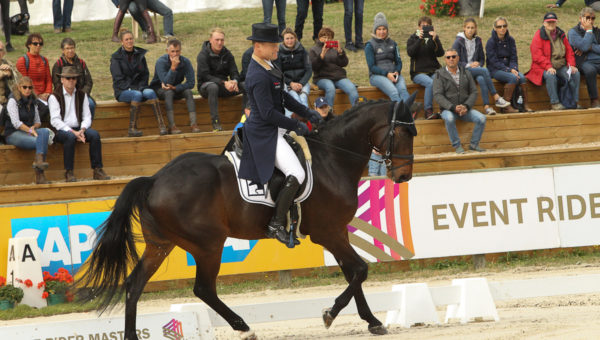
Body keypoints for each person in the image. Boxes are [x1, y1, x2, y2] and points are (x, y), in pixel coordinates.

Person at [239, 23, 322, 246]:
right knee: (297, 173)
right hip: (264, 132)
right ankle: (275, 224)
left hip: (276, 126)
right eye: (272, 44)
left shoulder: (270, 65)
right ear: (258, 46)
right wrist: (296, 125)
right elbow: (267, 114)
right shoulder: (257, 75)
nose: (277, 47)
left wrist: (307, 112)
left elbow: (283, 97)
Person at [49, 66, 110, 182]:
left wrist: (82, 129)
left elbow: (87, 116)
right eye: (68, 78)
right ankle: (69, 171)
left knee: (95, 135)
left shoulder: (82, 95)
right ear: (62, 79)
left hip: (79, 128)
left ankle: (97, 169)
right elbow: (55, 121)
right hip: (62, 130)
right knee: (70, 137)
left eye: (73, 78)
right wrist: (73, 132)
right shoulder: (54, 96)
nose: (71, 81)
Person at [110, 29, 167, 137]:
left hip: (140, 87)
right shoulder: (116, 58)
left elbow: (145, 74)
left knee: (150, 92)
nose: (129, 41)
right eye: (126, 39)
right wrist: (133, 89)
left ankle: (162, 125)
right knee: (137, 94)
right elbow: (118, 79)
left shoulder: (140, 54)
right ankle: (132, 128)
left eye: (131, 39)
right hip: (123, 90)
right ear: (122, 42)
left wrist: (141, 87)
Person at [366, 12, 422, 115]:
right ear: (375, 30)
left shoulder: (393, 43)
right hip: (376, 76)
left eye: (384, 29)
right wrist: (387, 74)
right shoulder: (370, 45)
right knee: (393, 92)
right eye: (379, 29)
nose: (382, 32)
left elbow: (398, 61)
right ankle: (401, 114)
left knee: (402, 89)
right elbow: (371, 66)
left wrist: (397, 71)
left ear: (387, 30)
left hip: (394, 73)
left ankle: (408, 111)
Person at [452, 18, 510, 115]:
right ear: (464, 28)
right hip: (462, 70)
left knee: (482, 79)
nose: (470, 30)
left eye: (472, 28)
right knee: (484, 71)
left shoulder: (478, 40)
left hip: (475, 70)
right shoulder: (458, 41)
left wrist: (478, 63)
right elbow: (454, 61)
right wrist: (469, 65)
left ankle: (487, 107)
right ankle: (496, 97)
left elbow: (482, 58)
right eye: (468, 27)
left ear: (476, 29)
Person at [433, 49, 487, 154]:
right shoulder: (439, 74)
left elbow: (474, 92)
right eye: (448, 57)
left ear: (458, 58)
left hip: (465, 109)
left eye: (453, 56)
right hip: (448, 109)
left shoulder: (466, 72)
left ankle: (474, 145)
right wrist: (453, 107)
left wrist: (466, 106)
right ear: (445, 60)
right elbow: (438, 95)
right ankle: (457, 146)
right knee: (449, 118)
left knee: (482, 118)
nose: (451, 59)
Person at [527, 12, 580, 110]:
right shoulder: (539, 35)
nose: (551, 24)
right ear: (544, 23)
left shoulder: (561, 34)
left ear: (556, 22)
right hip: (541, 67)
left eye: (553, 22)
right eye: (548, 22)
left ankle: (574, 102)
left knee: (575, 73)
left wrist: (571, 65)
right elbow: (537, 56)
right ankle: (555, 103)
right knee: (550, 76)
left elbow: (569, 51)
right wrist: (548, 67)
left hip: (560, 65)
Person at [4, 77, 51, 184]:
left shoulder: (33, 101)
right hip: (13, 133)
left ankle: (39, 164)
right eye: (24, 87)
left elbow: (38, 121)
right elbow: (16, 123)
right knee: (39, 141)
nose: (27, 90)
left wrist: (34, 127)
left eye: (30, 87)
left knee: (45, 132)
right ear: (19, 87)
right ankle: (40, 174)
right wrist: (30, 131)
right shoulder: (13, 100)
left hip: (29, 130)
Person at [197, 28, 243, 132]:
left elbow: (234, 72)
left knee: (246, 85)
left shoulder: (227, 54)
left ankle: (245, 120)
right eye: (217, 40)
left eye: (222, 40)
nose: (219, 42)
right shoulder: (203, 55)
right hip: (206, 86)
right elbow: (205, 75)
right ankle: (216, 123)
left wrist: (234, 81)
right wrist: (224, 82)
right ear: (210, 40)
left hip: (224, 86)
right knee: (213, 87)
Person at [150, 39, 197, 134]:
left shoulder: (185, 62)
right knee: (169, 92)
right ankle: (172, 126)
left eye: (177, 51)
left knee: (188, 92)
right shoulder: (161, 62)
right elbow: (166, 82)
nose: (175, 54)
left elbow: (191, 83)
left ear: (180, 51)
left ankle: (194, 124)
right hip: (160, 89)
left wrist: (176, 88)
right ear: (167, 51)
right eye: (172, 51)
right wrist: (173, 67)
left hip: (175, 88)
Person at [486, 16, 532, 113]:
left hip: (510, 68)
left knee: (522, 78)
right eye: (499, 26)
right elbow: (493, 61)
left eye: (504, 26)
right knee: (513, 78)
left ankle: (525, 104)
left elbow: (514, 57)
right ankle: (506, 106)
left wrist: (513, 68)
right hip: (495, 70)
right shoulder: (490, 42)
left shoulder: (511, 40)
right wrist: (509, 70)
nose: (502, 28)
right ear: (495, 28)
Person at [309, 26, 359, 109]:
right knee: (330, 88)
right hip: (322, 78)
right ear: (319, 38)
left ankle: (357, 111)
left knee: (352, 88)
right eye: (324, 37)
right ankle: (329, 113)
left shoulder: (335, 48)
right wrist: (321, 55)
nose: (327, 40)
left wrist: (340, 53)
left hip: (338, 77)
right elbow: (313, 67)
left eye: (329, 38)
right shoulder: (313, 49)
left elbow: (344, 63)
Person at [407, 16, 445, 119]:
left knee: (440, 79)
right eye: (423, 26)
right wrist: (419, 40)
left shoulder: (433, 38)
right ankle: (428, 111)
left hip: (432, 70)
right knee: (430, 83)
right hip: (418, 72)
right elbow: (410, 53)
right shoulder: (413, 38)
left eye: (428, 26)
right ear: (418, 27)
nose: (425, 28)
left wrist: (435, 39)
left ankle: (443, 109)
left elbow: (441, 53)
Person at [51, 38, 96, 118]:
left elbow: (89, 82)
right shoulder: (58, 65)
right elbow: (57, 84)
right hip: (65, 96)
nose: (70, 51)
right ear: (62, 50)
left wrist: (82, 95)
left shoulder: (81, 63)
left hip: (81, 93)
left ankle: (86, 127)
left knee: (91, 104)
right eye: (67, 48)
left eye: (72, 48)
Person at [277, 27, 312, 118]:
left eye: (292, 38)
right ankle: (295, 123)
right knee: (295, 99)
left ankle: (307, 123)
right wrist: (291, 83)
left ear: (295, 38)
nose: (290, 41)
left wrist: (301, 83)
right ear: (283, 40)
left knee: (303, 98)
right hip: (287, 83)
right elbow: (279, 72)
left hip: (302, 82)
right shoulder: (279, 52)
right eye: (287, 38)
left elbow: (309, 70)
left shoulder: (303, 50)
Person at [16, 33, 51, 123]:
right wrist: (38, 95)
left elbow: (48, 79)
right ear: (29, 45)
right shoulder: (22, 61)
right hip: (30, 94)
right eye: (35, 43)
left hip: (45, 95)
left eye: (40, 43)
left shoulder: (44, 60)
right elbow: (24, 83)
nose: (38, 45)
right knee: (44, 109)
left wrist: (47, 92)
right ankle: (30, 128)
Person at [568, 7, 600, 108]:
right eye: (587, 18)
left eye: (593, 18)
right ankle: (594, 100)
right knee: (590, 70)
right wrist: (589, 31)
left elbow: (586, 47)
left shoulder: (598, 31)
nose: (591, 20)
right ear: (580, 18)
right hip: (584, 61)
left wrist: (590, 47)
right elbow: (584, 46)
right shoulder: (573, 32)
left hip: (597, 59)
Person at [0, 40, 18, 110]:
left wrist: (11, 74)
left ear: (4, 52)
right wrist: (3, 73)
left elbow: (20, 80)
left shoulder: (7, 63)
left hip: (9, 101)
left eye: (0, 50)